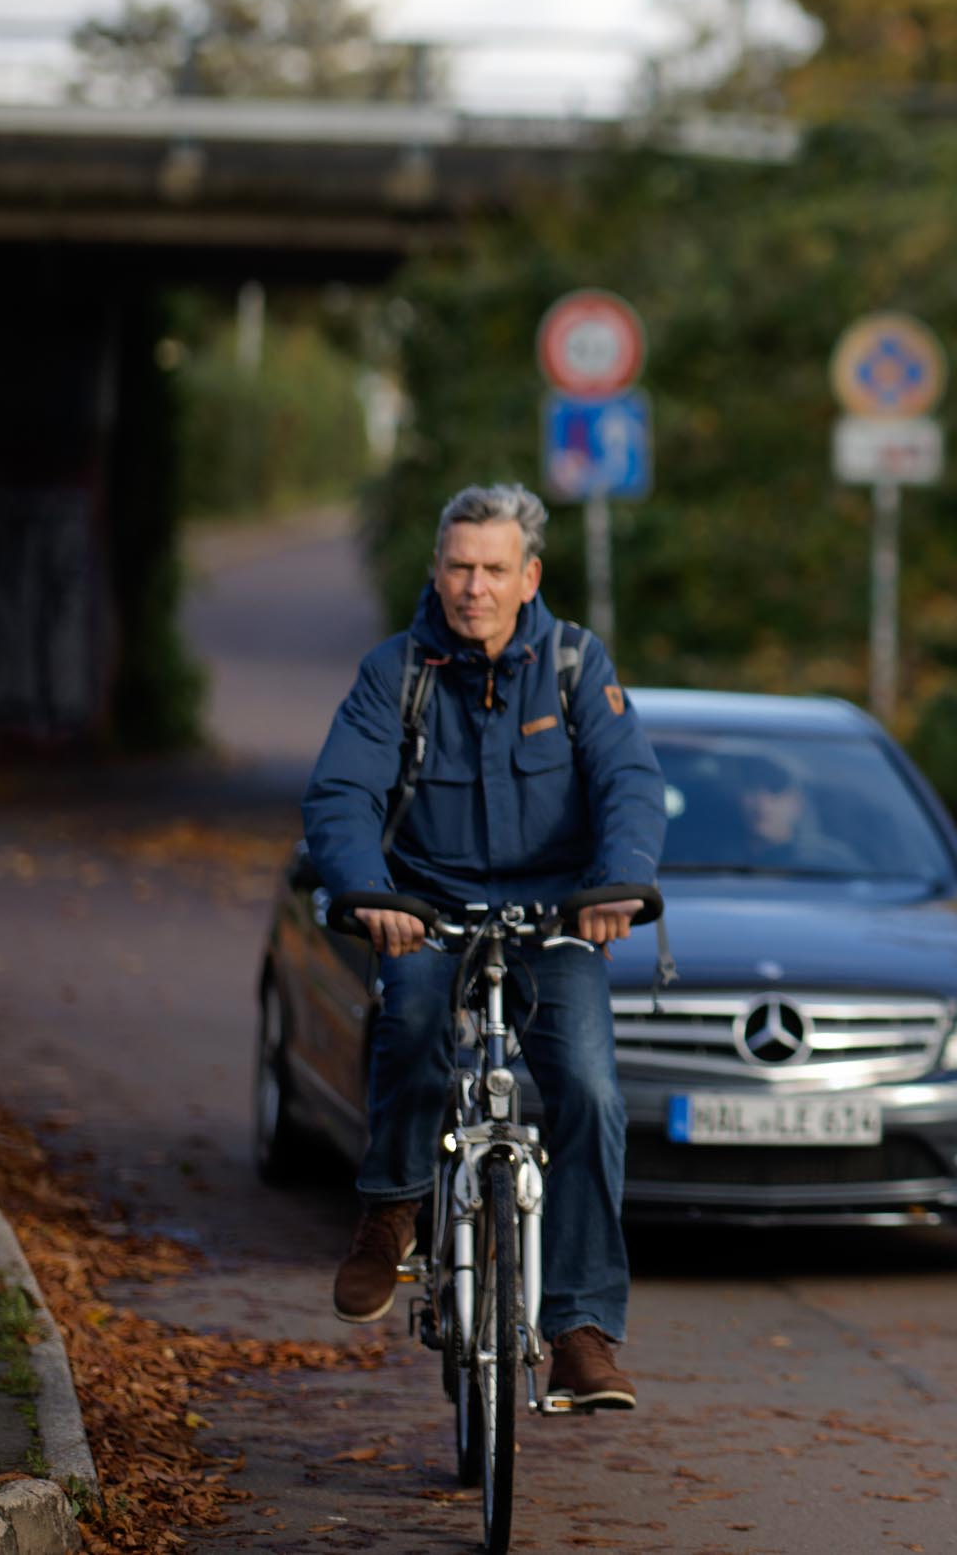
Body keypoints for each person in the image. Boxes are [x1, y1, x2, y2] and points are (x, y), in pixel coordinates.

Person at [302, 483, 665, 1410]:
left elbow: (628, 783)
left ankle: (581, 1328)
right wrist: (365, 893)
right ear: (438, 569)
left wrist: (616, 885)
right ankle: (390, 1211)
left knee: (588, 1085)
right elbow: (343, 793)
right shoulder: (398, 669)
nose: (474, 586)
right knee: (414, 1017)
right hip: (426, 904)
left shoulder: (578, 664)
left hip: (556, 915)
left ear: (528, 575)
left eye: (493, 569)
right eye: (459, 567)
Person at [728, 752, 861, 874]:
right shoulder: (714, 859)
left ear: (797, 803)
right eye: (753, 789)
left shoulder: (832, 864)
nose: (763, 803)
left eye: (776, 789)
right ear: (738, 799)